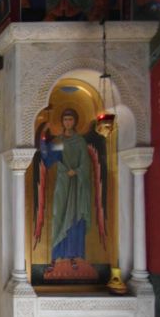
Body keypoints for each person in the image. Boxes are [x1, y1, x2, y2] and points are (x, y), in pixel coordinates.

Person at [39, 108, 92, 270]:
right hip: (63, 183)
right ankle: (55, 257)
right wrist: (43, 135)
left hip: (77, 184)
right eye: (65, 119)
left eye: (70, 119)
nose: (68, 122)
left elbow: (86, 164)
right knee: (59, 215)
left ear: (75, 121)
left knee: (75, 217)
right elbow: (48, 159)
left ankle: (73, 256)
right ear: (62, 122)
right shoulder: (59, 141)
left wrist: (76, 171)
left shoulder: (80, 142)